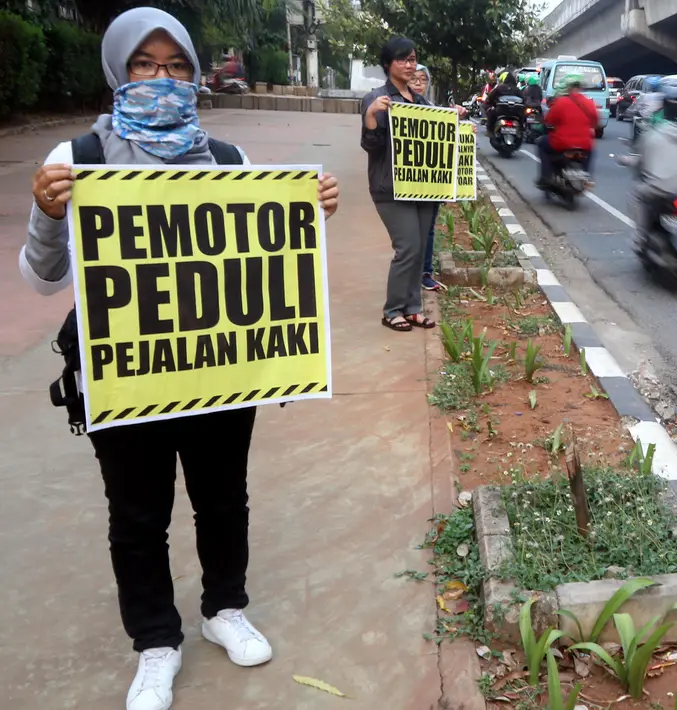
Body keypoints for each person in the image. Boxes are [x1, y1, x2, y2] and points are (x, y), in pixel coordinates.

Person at [21, 8, 340, 710]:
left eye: (175, 67)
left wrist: (302, 214)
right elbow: (43, 279)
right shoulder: (78, 160)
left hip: (218, 369)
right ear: (117, 72)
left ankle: (224, 608)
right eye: (144, 65)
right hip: (124, 372)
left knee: (224, 497)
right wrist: (47, 216)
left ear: (195, 74)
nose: (161, 80)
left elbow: (263, 265)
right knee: (137, 514)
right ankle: (156, 643)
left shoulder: (228, 162)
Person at [361, 36, 446, 331]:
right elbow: (372, 146)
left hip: (422, 187)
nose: (410, 66)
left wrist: (457, 123)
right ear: (388, 64)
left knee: (420, 247)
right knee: (408, 246)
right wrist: (372, 116)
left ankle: (412, 308)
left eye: (413, 59)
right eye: (403, 60)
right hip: (390, 188)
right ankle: (393, 309)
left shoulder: (420, 102)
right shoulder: (377, 100)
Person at [625, 80, 677, 252]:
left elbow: (642, 160)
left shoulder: (654, 131)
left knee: (637, 195)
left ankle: (640, 236)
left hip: (660, 187)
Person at [411, 63, 444, 291]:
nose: (419, 83)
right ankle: (410, 272)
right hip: (407, 180)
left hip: (430, 181)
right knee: (409, 231)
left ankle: (425, 272)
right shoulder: (397, 107)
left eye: (423, 79)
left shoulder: (432, 108)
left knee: (429, 229)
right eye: (414, 78)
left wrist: (463, 129)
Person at [536, 73, 597, 188]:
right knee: (591, 149)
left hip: (561, 143)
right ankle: (586, 176)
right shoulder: (589, 103)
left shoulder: (561, 102)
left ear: (567, 88)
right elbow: (595, 121)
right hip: (585, 144)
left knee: (541, 144)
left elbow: (549, 120)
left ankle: (546, 176)